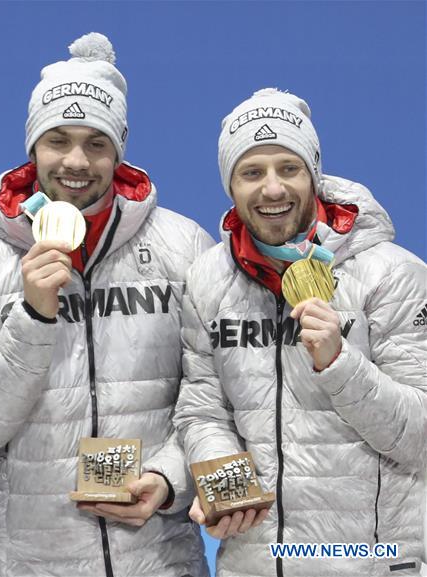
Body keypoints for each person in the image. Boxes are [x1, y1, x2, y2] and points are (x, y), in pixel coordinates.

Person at [0, 32, 211, 577]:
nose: (76, 161)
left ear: (120, 149)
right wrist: (34, 315)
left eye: (96, 143)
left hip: (158, 557)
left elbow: (213, 399)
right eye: (58, 140)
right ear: (32, 146)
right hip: (25, 563)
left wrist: (169, 479)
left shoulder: (185, 247)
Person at [174, 88, 427, 576]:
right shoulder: (207, 278)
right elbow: (202, 407)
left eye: (288, 168)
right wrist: (226, 485)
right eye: (252, 172)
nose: (272, 190)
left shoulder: (393, 275)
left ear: (313, 174)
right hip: (253, 563)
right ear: (230, 185)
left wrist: (339, 364)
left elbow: (420, 439)